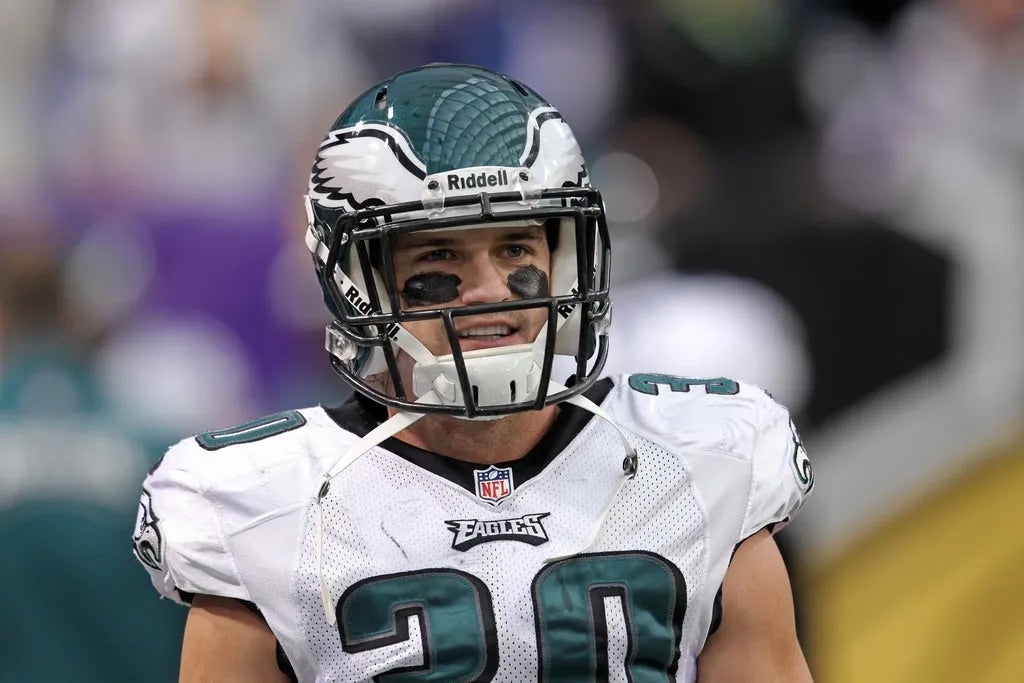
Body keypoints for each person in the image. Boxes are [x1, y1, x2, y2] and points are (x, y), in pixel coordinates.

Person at [132, 63, 815, 682]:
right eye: (441, 256)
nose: (489, 288)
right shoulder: (263, 503)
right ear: (360, 284)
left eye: (515, 247)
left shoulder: (698, 462)